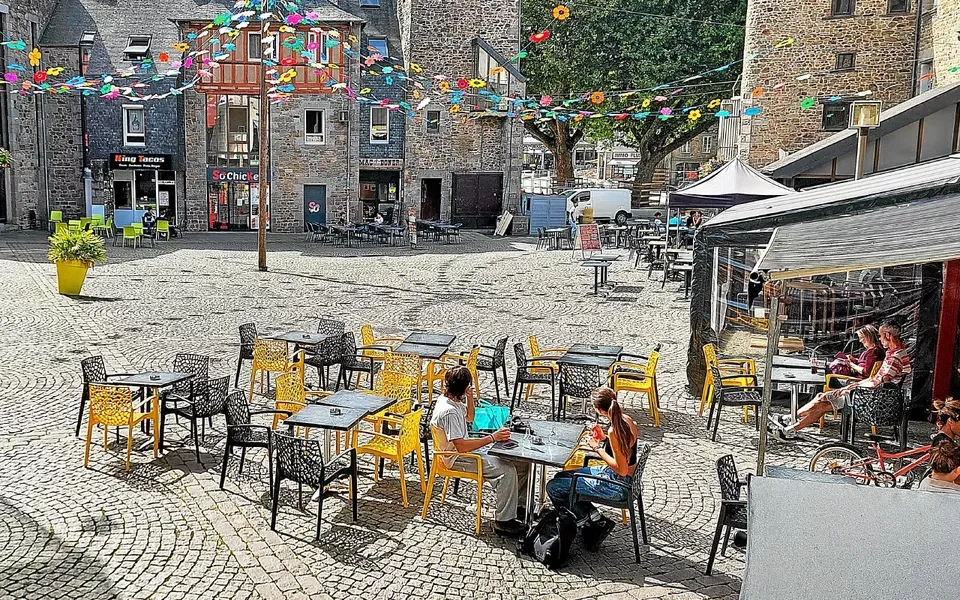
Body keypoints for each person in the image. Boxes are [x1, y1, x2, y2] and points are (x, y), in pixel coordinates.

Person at [429, 366, 529, 537]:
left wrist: (470, 397)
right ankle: (503, 521)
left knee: (521, 461)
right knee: (507, 471)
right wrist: (492, 438)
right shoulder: (449, 411)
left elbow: (469, 418)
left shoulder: (451, 399)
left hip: (466, 449)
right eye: (468, 385)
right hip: (456, 457)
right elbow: (461, 446)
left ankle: (517, 507)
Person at [773, 322, 911, 438]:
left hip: (870, 400)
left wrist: (850, 388)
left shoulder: (894, 358)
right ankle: (789, 426)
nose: (880, 339)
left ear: (888, 336)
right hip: (871, 395)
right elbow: (875, 379)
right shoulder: (897, 353)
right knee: (823, 401)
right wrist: (853, 386)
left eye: (881, 336)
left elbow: (878, 382)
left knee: (822, 398)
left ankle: (789, 423)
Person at [546, 388, 639, 549]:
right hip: (622, 479)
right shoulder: (626, 420)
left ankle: (587, 524)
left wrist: (597, 448)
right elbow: (624, 451)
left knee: (553, 487)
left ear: (600, 410)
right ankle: (594, 517)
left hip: (617, 485)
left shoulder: (614, 431)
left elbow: (621, 469)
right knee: (560, 477)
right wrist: (603, 438)